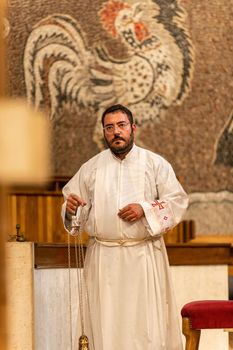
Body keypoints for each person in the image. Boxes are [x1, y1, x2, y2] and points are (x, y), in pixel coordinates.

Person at [61, 104, 188, 350]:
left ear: (132, 128)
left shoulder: (155, 163)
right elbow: (73, 205)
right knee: (104, 321)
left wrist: (145, 209)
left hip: (142, 257)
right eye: (109, 127)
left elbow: (178, 201)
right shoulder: (91, 168)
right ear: (104, 132)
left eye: (121, 125)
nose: (116, 132)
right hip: (103, 259)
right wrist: (69, 209)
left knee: (145, 325)